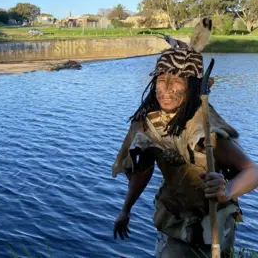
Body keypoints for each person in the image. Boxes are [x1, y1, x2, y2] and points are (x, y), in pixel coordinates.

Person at [111, 18, 258, 257]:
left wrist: (227, 191)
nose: (166, 89)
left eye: (176, 81)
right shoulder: (150, 124)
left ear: (191, 86)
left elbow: (252, 170)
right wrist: (125, 210)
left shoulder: (205, 128)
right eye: (161, 80)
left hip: (210, 227)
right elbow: (144, 170)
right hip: (173, 220)